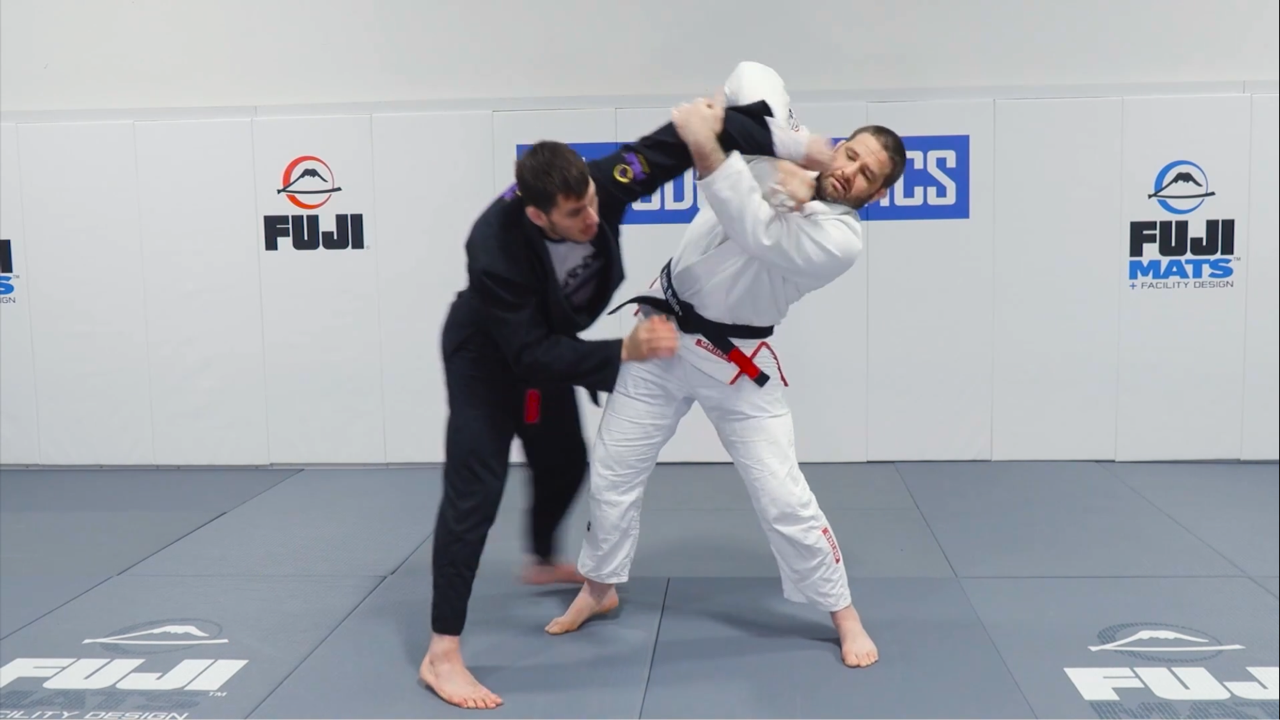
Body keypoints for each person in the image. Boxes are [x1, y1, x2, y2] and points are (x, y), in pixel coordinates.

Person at [420, 88, 836, 710]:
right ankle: (441, 652)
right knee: (475, 491)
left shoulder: (601, 181)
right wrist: (623, 351)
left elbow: (694, 134)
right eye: (575, 215)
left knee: (565, 460)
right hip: (487, 358)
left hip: (547, 341)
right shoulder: (495, 249)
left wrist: (800, 148)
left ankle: (542, 560)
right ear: (537, 216)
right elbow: (528, 357)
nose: (593, 219)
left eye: (592, 203)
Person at [542, 61, 908, 671]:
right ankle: (600, 585)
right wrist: (783, 145)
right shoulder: (780, 154)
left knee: (782, 496)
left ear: (877, 194)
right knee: (613, 469)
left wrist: (718, 149)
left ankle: (842, 611)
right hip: (660, 337)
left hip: (735, 365)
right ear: (839, 147)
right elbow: (752, 73)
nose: (850, 171)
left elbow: (754, 229)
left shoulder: (841, 241)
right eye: (851, 155)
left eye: (867, 174)